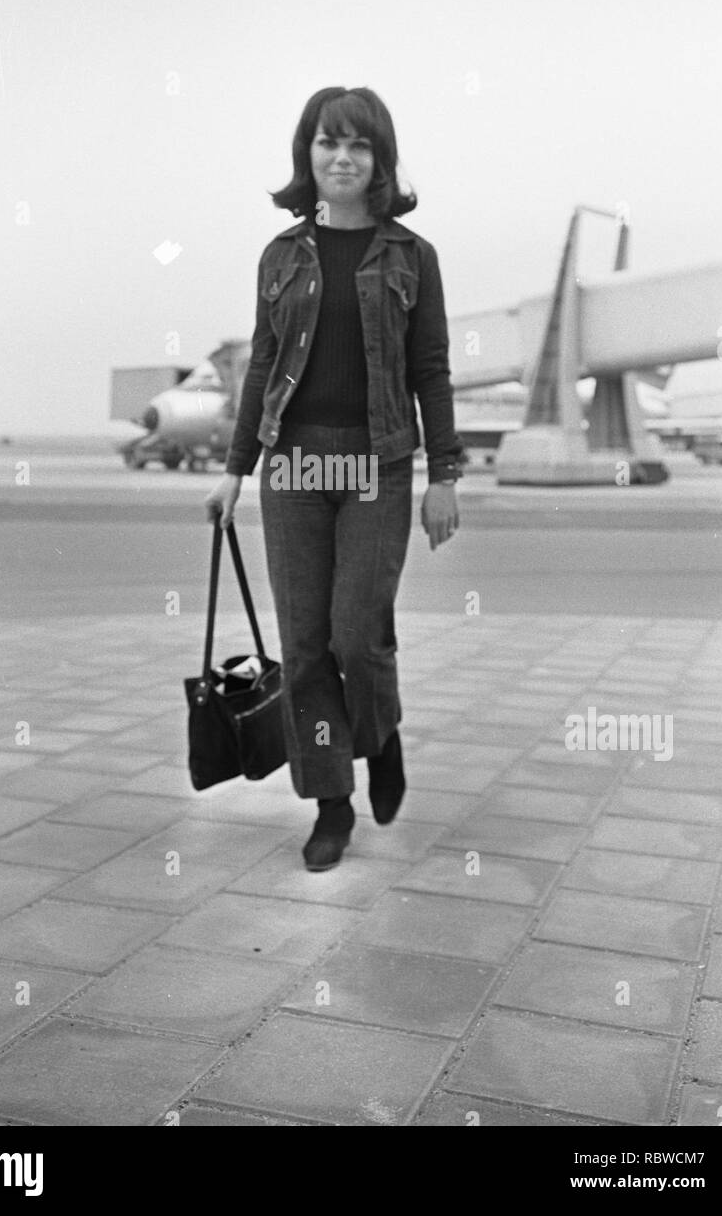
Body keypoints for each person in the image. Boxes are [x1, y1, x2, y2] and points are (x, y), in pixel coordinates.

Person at [205, 86, 463, 871]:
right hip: (294, 463)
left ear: (380, 161)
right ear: (306, 155)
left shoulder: (411, 257)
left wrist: (443, 475)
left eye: (358, 146)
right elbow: (261, 368)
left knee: (358, 632)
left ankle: (378, 738)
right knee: (307, 646)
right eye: (327, 143)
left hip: (375, 462)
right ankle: (331, 804)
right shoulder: (280, 256)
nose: (341, 158)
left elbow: (430, 369)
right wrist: (234, 470)